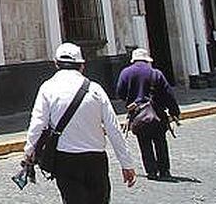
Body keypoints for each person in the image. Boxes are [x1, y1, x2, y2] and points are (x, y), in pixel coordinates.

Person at [23, 43, 136, 203]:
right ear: (82, 66)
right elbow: (113, 128)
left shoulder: (47, 88)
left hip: (65, 159)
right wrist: (126, 164)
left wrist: (28, 152)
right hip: (96, 159)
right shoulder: (96, 90)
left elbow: (37, 124)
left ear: (56, 64)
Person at [116, 48, 181, 180]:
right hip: (157, 114)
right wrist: (174, 111)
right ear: (147, 60)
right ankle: (164, 171)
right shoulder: (156, 73)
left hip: (138, 114)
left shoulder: (125, 73)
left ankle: (151, 171)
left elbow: (120, 92)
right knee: (160, 142)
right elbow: (168, 94)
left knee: (144, 143)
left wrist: (131, 100)